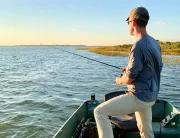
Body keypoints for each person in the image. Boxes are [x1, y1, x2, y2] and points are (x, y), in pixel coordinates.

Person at [94, 7, 163, 138]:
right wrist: (131, 69)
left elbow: (129, 78)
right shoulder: (154, 43)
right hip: (151, 96)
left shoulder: (138, 46)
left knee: (99, 112)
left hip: (139, 96)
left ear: (133, 22)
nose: (128, 26)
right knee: (146, 131)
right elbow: (155, 68)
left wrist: (119, 79)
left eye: (128, 22)